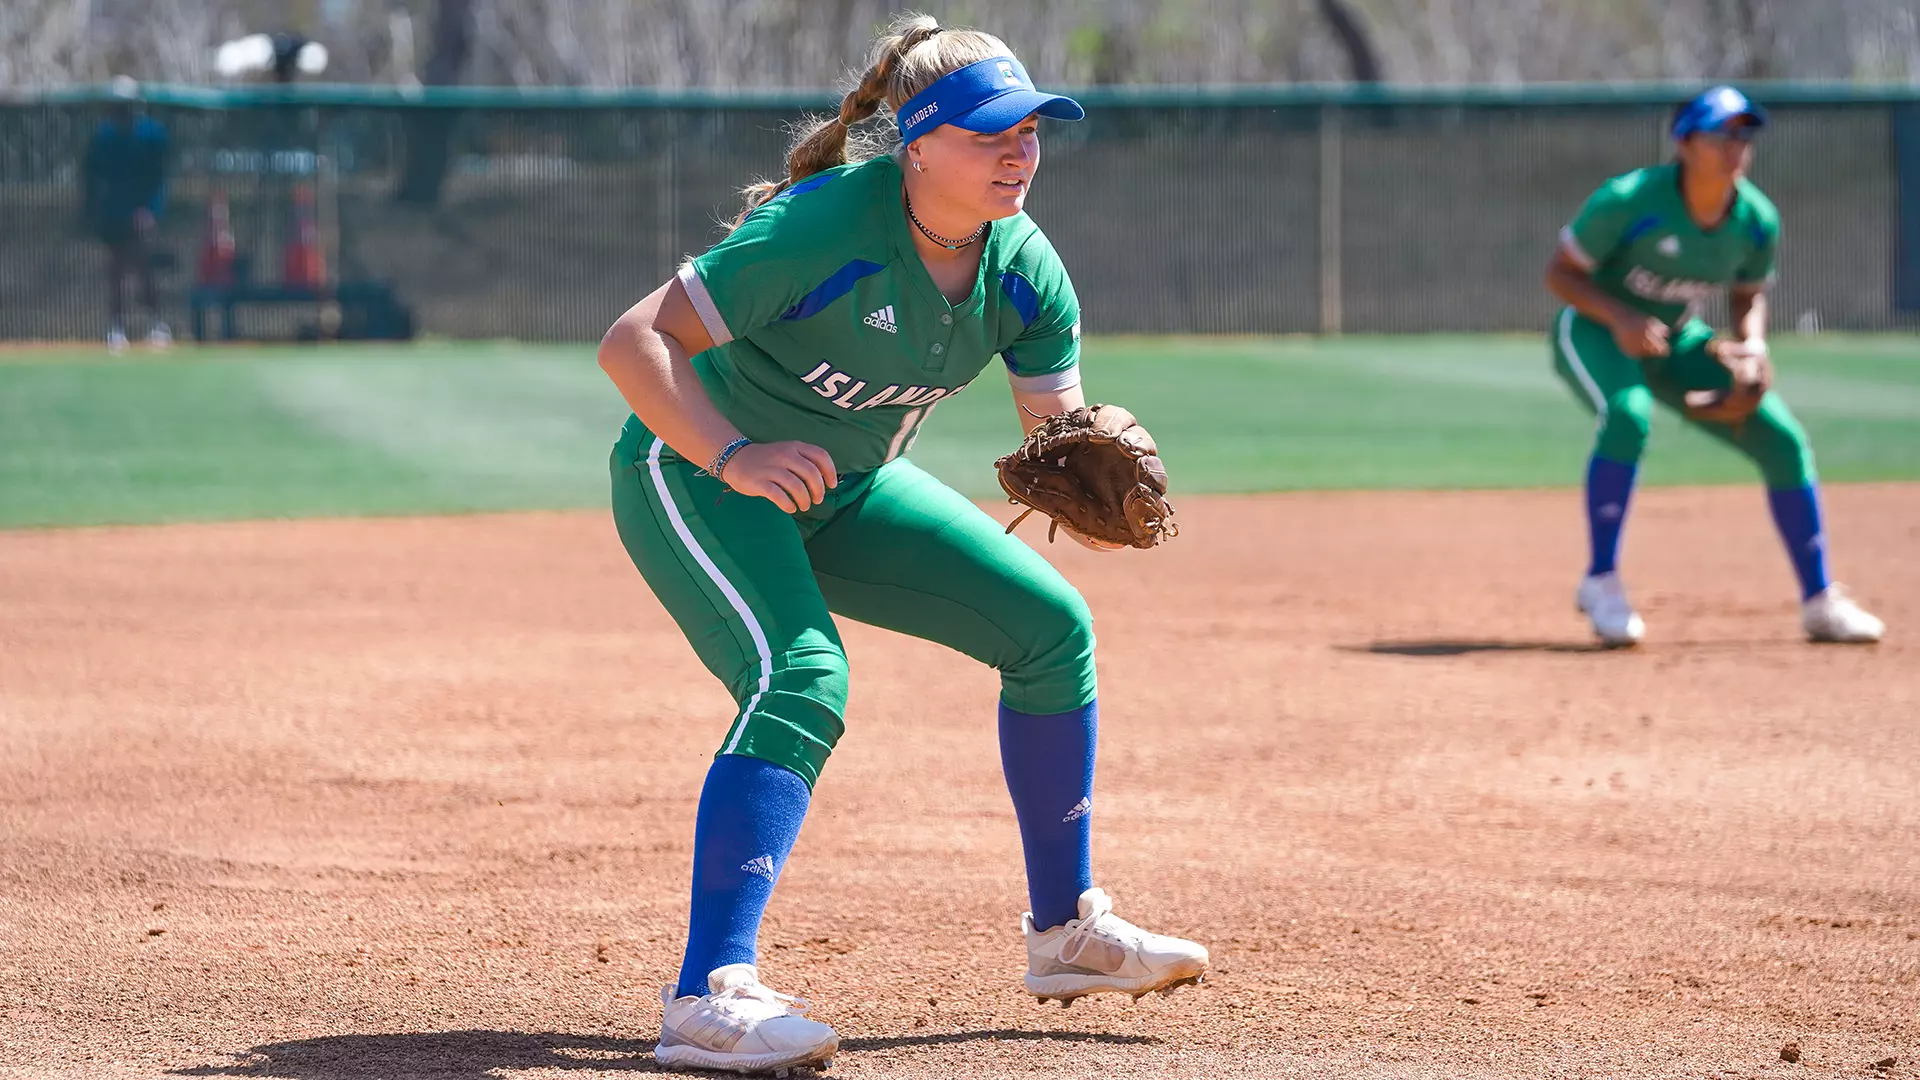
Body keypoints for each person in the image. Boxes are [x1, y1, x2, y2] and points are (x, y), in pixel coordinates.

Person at [596, 13, 1208, 1075]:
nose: (1018, 150)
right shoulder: (823, 227)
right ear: (916, 143)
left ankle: (1065, 933)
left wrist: (1086, 481)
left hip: (846, 485)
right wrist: (734, 451)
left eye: (1031, 130)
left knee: (1050, 627)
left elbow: (1053, 437)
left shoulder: (1025, 268)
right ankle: (706, 995)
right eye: (989, 132)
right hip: (694, 473)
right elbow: (634, 340)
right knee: (803, 676)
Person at [1544, 86, 1884, 647]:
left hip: (1677, 339)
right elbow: (1560, 274)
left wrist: (1752, 347)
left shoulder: (1755, 220)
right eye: (1721, 134)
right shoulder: (1629, 199)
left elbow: (1747, 295)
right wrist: (1622, 317)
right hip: (1596, 330)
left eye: (1744, 135)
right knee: (1629, 415)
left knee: (1782, 440)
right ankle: (1601, 582)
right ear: (1684, 142)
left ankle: (1821, 601)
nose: (1735, 146)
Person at [83, 77, 171, 353]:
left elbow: (159, 178)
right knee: (116, 272)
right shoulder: (104, 137)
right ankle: (117, 328)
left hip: (142, 214)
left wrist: (151, 210)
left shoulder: (153, 135)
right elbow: (92, 177)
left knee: (144, 270)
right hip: (113, 214)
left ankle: (157, 324)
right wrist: (93, 210)